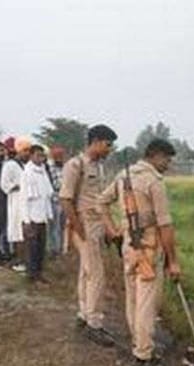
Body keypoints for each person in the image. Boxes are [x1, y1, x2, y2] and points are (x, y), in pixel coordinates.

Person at [100, 139, 181, 366]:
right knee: (147, 303)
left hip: (129, 245)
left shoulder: (123, 176)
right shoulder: (154, 181)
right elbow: (165, 225)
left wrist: (113, 230)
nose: (168, 165)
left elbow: (101, 202)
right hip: (149, 247)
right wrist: (173, 261)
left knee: (133, 299)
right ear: (156, 155)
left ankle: (139, 342)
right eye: (167, 159)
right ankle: (144, 355)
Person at [60, 124, 117, 346]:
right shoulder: (75, 165)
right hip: (85, 225)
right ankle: (94, 323)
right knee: (96, 275)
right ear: (96, 142)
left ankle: (84, 315)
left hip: (96, 224)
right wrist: (79, 229)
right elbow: (66, 200)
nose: (109, 149)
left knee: (87, 273)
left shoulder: (98, 167)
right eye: (108, 145)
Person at [21, 144, 54, 283]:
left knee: (40, 249)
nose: (41, 158)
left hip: (42, 216)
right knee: (32, 249)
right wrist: (26, 221)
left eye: (42, 155)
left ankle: (39, 274)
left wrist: (49, 215)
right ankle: (32, 276)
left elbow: (47, 196)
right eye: (38, 155)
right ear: (31, 156)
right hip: (32, 218)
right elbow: (23, 199)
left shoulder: (43, 171)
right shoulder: (27, 173)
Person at [0, 137, 29, 273]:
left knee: (25, 232)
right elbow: (4, 184)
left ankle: (26, 260)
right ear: (19, 151)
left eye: (28, 150)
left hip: (26, 203)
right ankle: (19, 261)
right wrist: (17, 186)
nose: (27, 153)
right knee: (17, 232)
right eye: (25, 150)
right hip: (16, 201)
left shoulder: (26, 165)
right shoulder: (10, 165)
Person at [45, 145, 66, 257]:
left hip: (64, 200)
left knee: (62, 227)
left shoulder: (65, 167)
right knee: (54, 227)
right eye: (58, 156)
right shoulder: (49, 168)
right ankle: (54, 250)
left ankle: (60, 249)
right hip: (54, 200)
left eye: (61, 155)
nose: (60, 158)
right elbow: (56, 184)